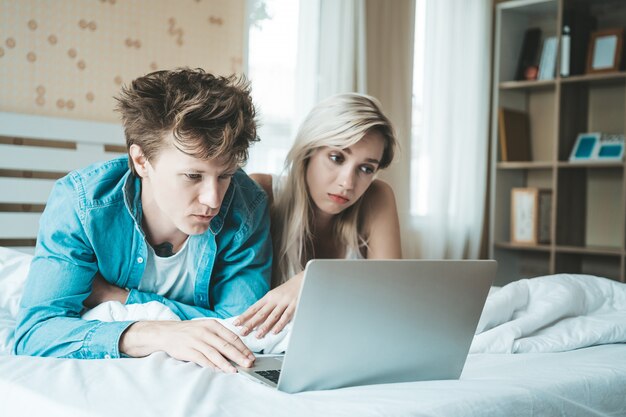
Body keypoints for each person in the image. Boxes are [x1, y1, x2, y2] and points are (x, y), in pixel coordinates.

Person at [13, 68, 272, 373]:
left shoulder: (247, 204)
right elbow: (35, 333)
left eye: (225, 175)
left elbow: (240, 331)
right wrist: (153, 333)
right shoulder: (83, 204)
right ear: (141, 161)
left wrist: (120, 297)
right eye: (193, 176)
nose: (213, 199)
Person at [235, 93, 401, 338]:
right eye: (336, 157)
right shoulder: (261, 193)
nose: (347, 182)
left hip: (349, 342)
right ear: (308, 151)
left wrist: (312, 281)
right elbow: (238, 307)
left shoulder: (377, 197)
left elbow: (393, 295)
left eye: (366, 168)